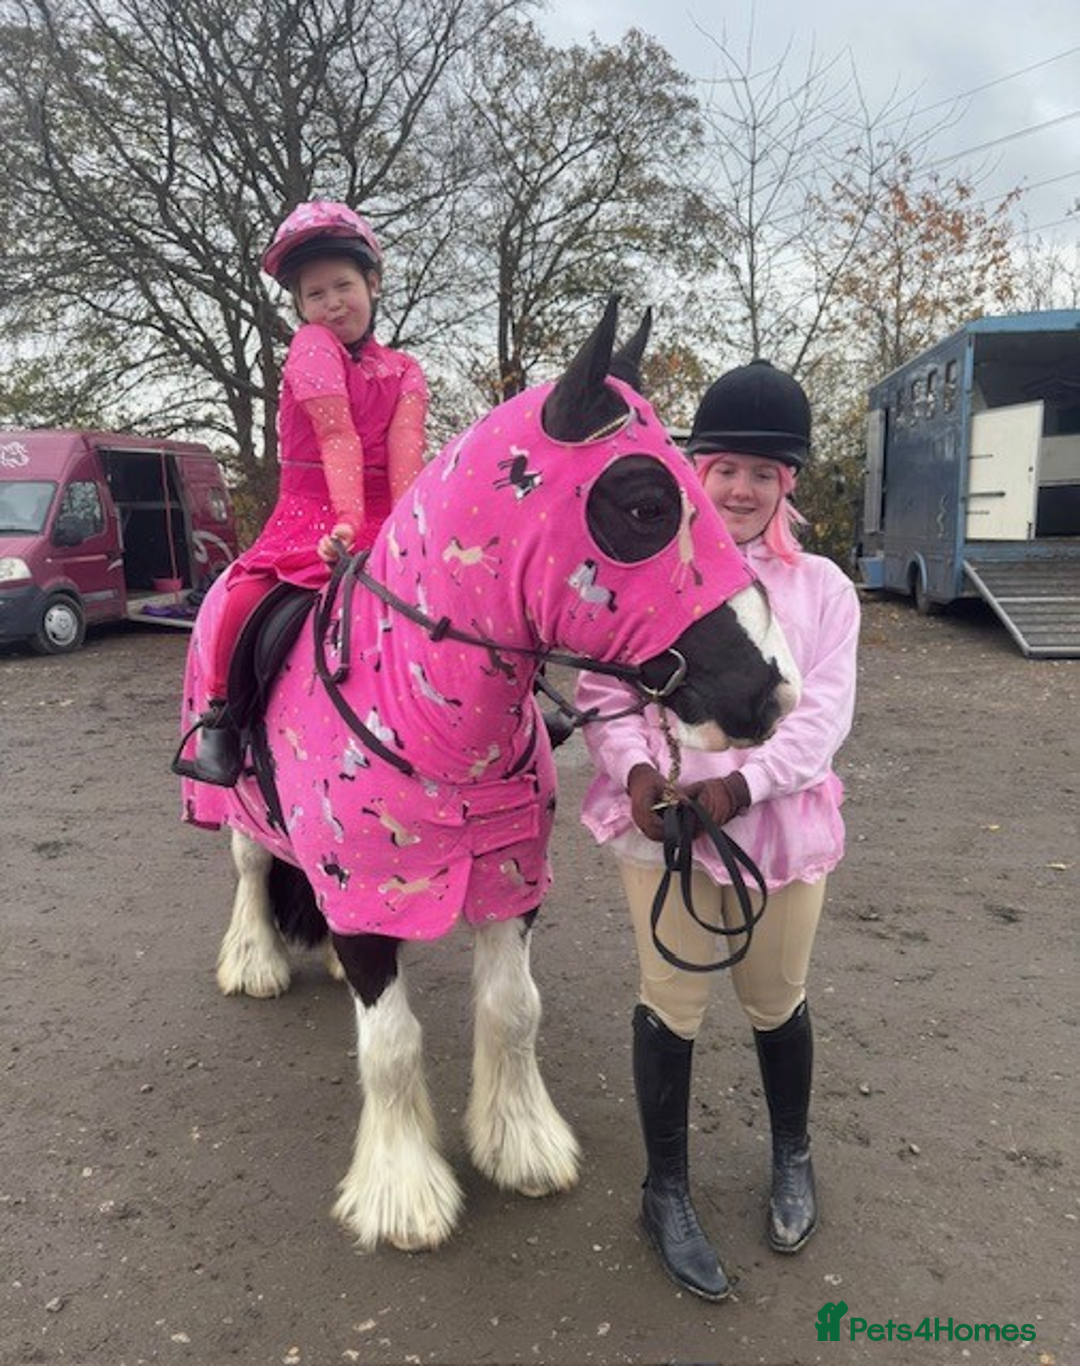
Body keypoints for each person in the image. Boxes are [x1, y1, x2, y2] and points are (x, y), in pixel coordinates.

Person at [576, 359, 860, 1300]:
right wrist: (641, 774)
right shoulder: (643, 574)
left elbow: (820, 720)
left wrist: (737, 791)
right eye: (724, 467)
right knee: (672, 1005)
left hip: (774, 830)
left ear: (788, 484)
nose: (739, 488)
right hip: (664, 835)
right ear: (694, 469)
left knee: (777, 998)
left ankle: (793, 1154)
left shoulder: (821, 589)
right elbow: (604, 691)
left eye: (762, 472)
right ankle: (665, 1192)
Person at [190, 200, 428, 785]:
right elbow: (336, 433)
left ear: (372, 284)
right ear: (299, 306)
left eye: (343, 286)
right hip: (313, 513)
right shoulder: (311, 348)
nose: (332, 303)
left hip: (383, 514)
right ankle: (224, 714)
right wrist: (346, 523)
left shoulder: (404, 370)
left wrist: (409, 531)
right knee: (246, 596)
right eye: (314, 294)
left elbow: (406, 457)